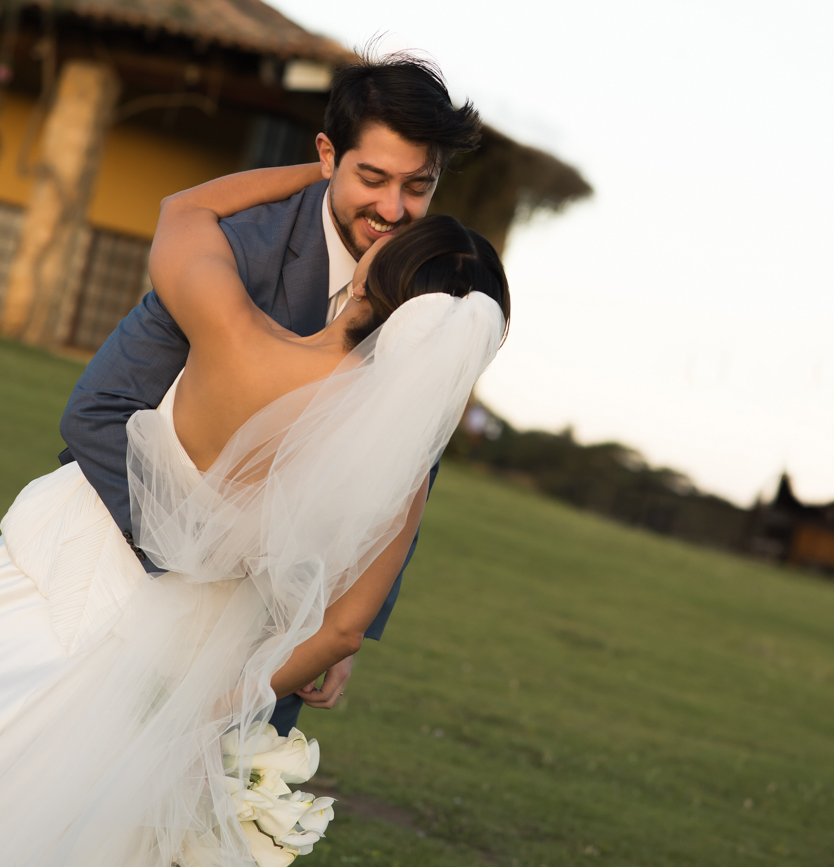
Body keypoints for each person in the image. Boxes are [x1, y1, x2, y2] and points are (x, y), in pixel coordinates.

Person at [0, 157, 510, 865]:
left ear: (368, 279)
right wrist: (220, 705)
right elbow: (343, 630)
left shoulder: (234, 337)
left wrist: (323, 170)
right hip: (204, 657)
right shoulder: (402, 473)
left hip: (94, 577)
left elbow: (185, 211)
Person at [58, 49, 481, 733]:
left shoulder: (430, 292)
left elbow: (410, 466)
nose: (394, 209)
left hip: (275, 638)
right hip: (122, 565)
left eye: (419, 186)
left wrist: (347, 622)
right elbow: (99, 416)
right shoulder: (240, 251)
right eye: (371, 177)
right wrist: (197, 561)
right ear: (328, 154)